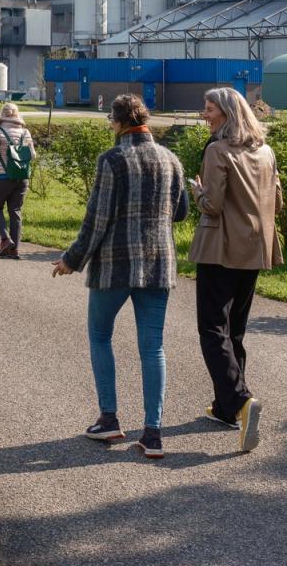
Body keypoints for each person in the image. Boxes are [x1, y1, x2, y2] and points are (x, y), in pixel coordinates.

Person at [52, 93, 189, 460]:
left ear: (119, 122)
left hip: (115, 264)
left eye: (110, 121)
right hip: (159, 264)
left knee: (100, 336)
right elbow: (181, 213)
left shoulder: (112, 160)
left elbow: (97, 220)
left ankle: (109, 418)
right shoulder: (171, 160)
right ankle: (153, 433)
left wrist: (71, 259)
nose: (110, 126)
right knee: (152, 347)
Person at [190, 86, 281, 454]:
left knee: (212, 328)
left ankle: (241, 401)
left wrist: (196, 191)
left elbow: (211, 205)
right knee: (235, 330)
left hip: (220, 247)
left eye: (210, 108)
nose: (205, 114)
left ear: (227, 113)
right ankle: (227, 408)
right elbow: (276, 197)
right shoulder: (266, 151)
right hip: (256, 247)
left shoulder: (217, 150)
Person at [0, 102, 35, 259]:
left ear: (2, 114)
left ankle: (5, 240)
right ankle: (14, 249)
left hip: (2, 177)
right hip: (22, 177)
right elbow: (32, 155)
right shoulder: (25, 132)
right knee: (15, 211)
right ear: (17, 114)